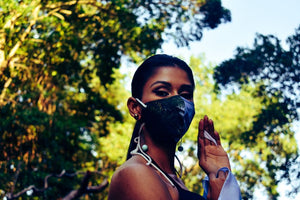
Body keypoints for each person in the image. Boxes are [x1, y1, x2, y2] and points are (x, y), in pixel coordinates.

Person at [108, 54, 241, 200]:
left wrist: (220, 177)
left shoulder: (172, 179)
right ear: (135, 108)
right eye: (162, 92)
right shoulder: (135, 173)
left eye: (185, 95)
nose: (179, 103)